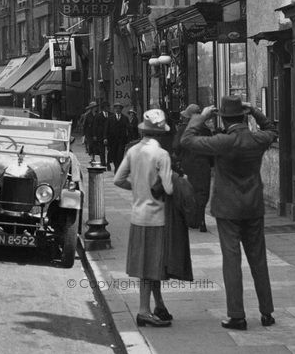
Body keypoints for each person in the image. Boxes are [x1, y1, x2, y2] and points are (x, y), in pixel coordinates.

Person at [180, 96, 277, 330]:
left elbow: (187, 139)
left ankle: (237, 315)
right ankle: (267, 312)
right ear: (244, 116)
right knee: (258, 259)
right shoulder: (257, 139)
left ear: (223, 118)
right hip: (253, 206)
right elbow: (272, 130)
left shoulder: (222, 141)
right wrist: (255, 111)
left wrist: (201, 117)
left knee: (231, 261)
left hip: (227, 208)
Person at [114, 109, 175, 328]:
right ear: (160, 134)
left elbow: (118, 180)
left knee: (150, 264)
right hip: (157, 217)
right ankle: (143, 311)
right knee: (151, 266)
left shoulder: (133, 151)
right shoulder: (162, 155)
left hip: (137, 215)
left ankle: (159, 304)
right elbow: (168, 188)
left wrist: (138, 188)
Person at [173, 104, 213, 232]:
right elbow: (212, 148)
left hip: (187, 165)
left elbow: (176, 147)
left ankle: (191, 218)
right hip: (203, 165)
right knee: (202, 192)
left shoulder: (183, 129)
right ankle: (201, 219)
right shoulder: (206, 130)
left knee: (189, 192)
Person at [107, 102, 131, 170]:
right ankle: (116, 166)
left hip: (122, 140)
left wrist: (129, 138)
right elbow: (107, 128)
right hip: (112, 140)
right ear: (115, 109)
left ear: (121, 109)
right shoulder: (110, 118)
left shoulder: (125, 118)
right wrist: (105, 137)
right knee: (114, 154)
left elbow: (129, 129)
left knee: (120, 155)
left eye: (119, 108)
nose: (117, 110)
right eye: (116, 108)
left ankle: (117, 168)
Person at [91, 101, 110, 168]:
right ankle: (103, 163)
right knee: (102, 150)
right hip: (100, 135)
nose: (108, 108)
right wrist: (94, 135)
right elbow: (95, 126)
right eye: (106, 107)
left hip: (109, 135)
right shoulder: (98, 116)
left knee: (109, 150)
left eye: (108, 107)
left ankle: (108, 162)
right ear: (103, 108)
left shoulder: (111, 115)